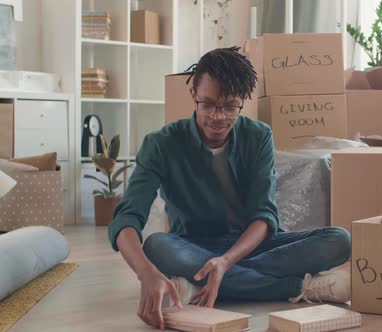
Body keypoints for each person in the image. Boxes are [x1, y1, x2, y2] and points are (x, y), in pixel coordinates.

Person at [108, 47, 351, 330]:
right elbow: (126, 218)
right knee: (157, 245)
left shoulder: (258, 135)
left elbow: (264, 217)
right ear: (193, 95)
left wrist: (225, 261)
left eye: (229, 107)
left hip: (252, 245)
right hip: (193, 244)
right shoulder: (161, 143)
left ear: (243, 101)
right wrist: (146, 274)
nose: (218, 117)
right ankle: (301, 287)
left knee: (340, 239)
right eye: (208, 104)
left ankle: (201, 282)